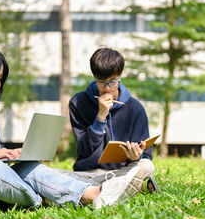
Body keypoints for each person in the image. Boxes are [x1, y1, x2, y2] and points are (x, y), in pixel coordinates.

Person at [0, 44, 143, 212]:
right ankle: (50, 196)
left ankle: (94, 195)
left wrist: (11, 155)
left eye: (0, 79)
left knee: (30, 168)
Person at [68, 47, 159, 193]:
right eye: (102, 82)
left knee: (147, 165)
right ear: (94, 77)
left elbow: (146, 155)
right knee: (51, 174)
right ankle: (127, 187)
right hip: (88, 173)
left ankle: (104, 188)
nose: (107, 88)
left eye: (112, 81)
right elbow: (84, 150)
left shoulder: (135, 108)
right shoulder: (78, 102)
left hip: (123, 170)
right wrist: (100, 116)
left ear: (120, 75)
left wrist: (135, 156)